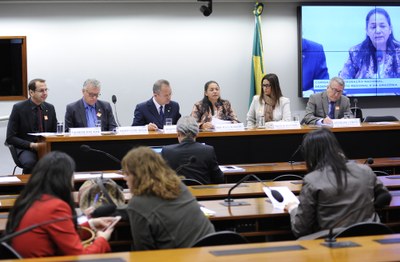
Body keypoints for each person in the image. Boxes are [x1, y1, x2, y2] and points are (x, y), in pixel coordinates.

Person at [5, 151, 116, 257]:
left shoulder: (30, 199)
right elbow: (80, 257)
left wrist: (91, 224)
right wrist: (102, 239)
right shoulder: (55, 207)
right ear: (64, 178)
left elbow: (61, 233)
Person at [286, 128, 391, 238]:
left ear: (310, 155)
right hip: (370, 237)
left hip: (331, 243)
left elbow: (300, 229)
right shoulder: (365, 170)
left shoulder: (312, 180)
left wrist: (293, 208)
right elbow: (385, 197)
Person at [121, 146, 215, 250]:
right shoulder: (178, 186)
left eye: (127, 173)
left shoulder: (138, 203)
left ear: (137, 175)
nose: (124, 178)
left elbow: (144, 253)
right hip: (210, 252)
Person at [6, 78, 57, 174]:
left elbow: (54, 131)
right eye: (41, 91)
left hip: (46, 147)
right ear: (31, 92)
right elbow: (10, 137)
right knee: (30, 163)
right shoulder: (19, 108)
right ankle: (29, 187)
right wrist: (32, 145)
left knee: (62, 162)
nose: (45, 93)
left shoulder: (50, 108)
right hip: (27, 147)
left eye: (46, 90)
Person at [339, 8, 400, 79]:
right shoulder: (356, 53)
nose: (378, 31)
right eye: (373, 27)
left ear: (390, 29)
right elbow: (343, 81)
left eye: (382, 26)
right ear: (367, 31)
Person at [161, 116, 224, 184]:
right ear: (197, 133)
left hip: (177, 193)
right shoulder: (208, 150)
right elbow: (219, 178)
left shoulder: (167, 151)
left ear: (178, 133)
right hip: (202, 193)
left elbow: (161, 179)